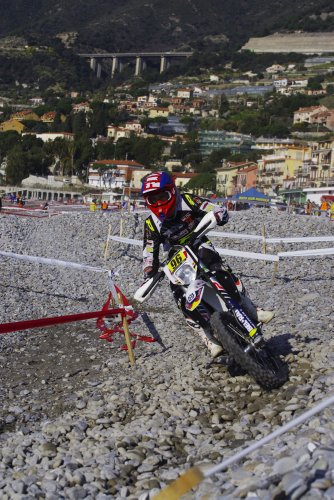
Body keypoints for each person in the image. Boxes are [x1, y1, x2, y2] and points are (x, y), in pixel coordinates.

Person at [141, 172, 274, 358]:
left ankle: (252, 309)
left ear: (172, 192)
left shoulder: (186, 200)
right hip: (175, 257)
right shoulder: (151, 223)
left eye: (162, 196)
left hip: (198, 243)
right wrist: (149, 271)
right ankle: (207, 337)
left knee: (218, 267)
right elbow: (149, 252)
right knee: (179, 295)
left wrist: (219, 213)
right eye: (152, 199)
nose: (158, 202)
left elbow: (211, 207)